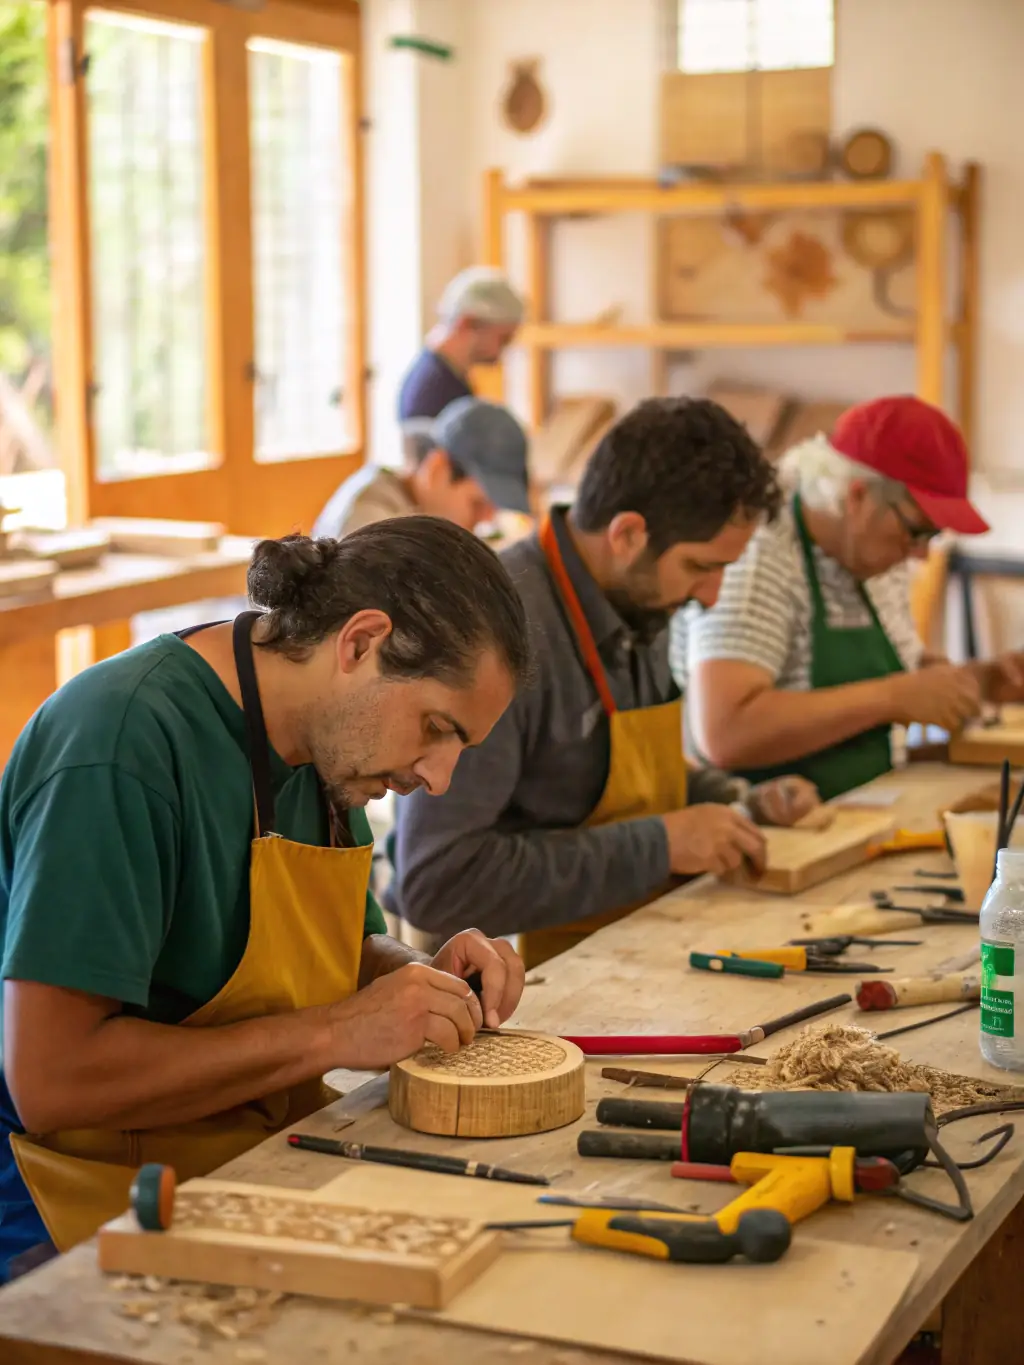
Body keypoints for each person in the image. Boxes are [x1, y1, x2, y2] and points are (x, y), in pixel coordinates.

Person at [0, 518, 531, 1282]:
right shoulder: (119, 744)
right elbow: (53, 1081)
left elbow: (337, 948)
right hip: (71, 1197)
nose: (439, 778)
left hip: (246, 1154)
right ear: (360, 642)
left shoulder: (330, 746)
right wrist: (336, 1032)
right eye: (436, 728)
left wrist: (416, 977)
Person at [386, 397, 821, 969]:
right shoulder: (496, 634)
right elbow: (437, 882)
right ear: (628, 534)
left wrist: (737, 803)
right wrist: (661, 845)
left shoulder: (642, 597)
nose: (711, 597)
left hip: (636, 956)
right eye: (700, 567)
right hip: (520, 982)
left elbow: (604, 774)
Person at [672, 395, 1022, 803]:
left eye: (933, 536)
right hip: (766, 823)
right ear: (858, 497)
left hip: (858, 807)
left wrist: (975, 682)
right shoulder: (761, 555)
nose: (922, 554)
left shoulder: (874, 553)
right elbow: (725, 732)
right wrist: (894, 696)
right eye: (917, 531)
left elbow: (885, 677)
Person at [314, 397, 530, 540]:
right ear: (438, 468)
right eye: (477, 505)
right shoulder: (370, 525)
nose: (485, 520)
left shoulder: (410, 507)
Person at [398, 267, 525, 422]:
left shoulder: (447, 378)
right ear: (467, 322)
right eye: (503, 339)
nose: (505, 349)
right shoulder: (434, 392)